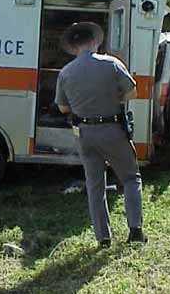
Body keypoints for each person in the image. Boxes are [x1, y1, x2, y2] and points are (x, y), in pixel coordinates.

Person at [55, 21, 147, 247]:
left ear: (73, 46)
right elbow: (133, 92)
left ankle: (103, 238)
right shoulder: (112, 64)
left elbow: (63, 108)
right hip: (112, 129)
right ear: (95, 41)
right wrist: (113, 98)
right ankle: (135, 232)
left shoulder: (66, 72)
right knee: (130, 178)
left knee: (95, 185)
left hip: (85, 134)